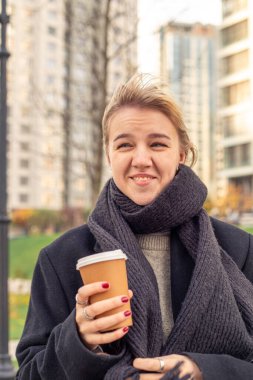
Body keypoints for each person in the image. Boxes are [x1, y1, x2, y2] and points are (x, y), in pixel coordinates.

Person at [16, 73, 253, 380]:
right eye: (125, 145)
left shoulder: (237, 248)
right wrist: (77, 339)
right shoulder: (60, 259)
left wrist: (203, 371)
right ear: (109, 155)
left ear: (180, 154)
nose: (141, 159)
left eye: (157, 144)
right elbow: (29, 375)